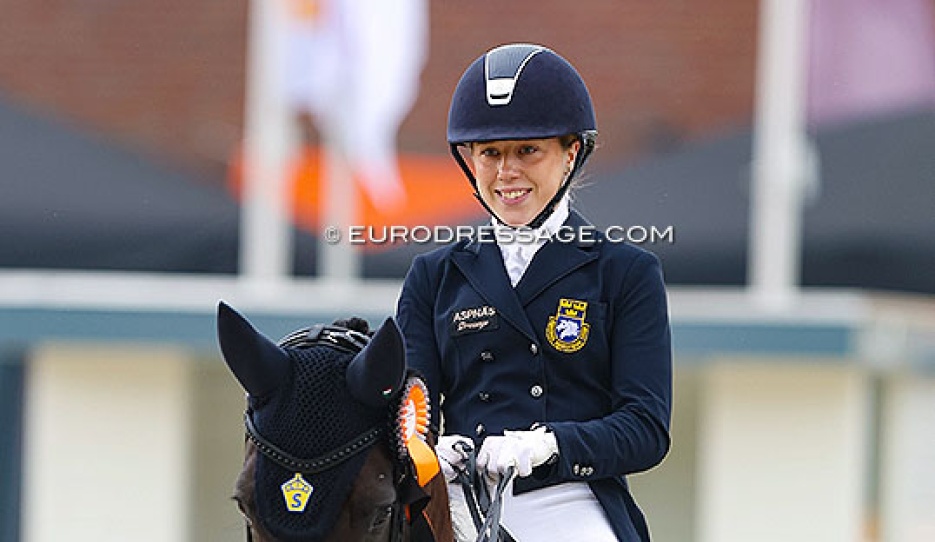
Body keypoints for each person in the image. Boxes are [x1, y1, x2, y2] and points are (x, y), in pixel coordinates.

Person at [396, 43, 672, 541]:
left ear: (570, 153)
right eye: (490, 154)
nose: (507, 173)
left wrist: (552, 445)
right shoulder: (433, 277)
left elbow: (646, 428)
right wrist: (428, 448)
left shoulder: (625, 272)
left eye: (527, 150)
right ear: (469, 160)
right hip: (455, 498)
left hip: (567, 497)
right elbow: (410, 408)